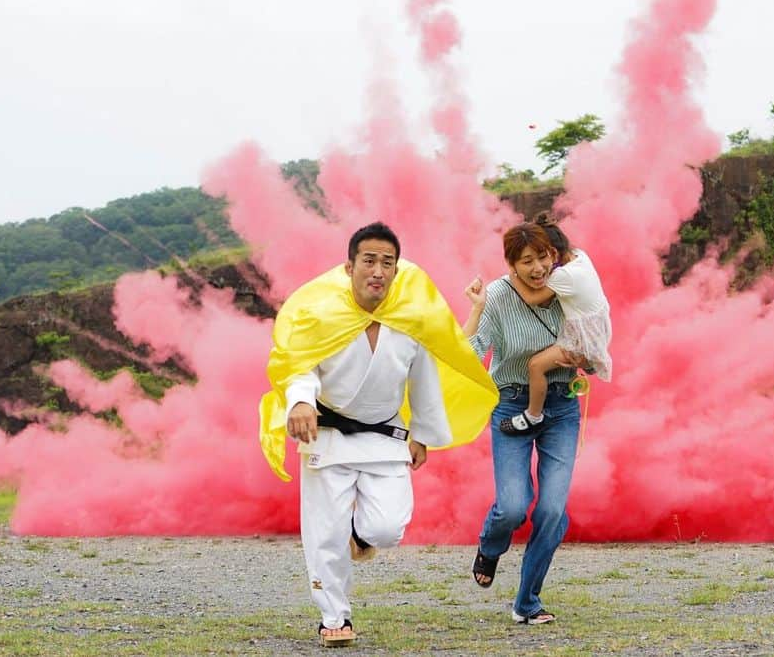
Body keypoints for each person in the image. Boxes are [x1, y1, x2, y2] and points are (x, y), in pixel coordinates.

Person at [259, 222, 497, 647]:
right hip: (327, 437)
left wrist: (421, 432)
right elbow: (298, 364)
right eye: (369, 261)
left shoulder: (410, 321)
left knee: (388, 527)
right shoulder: (321, 315)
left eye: (388, 262)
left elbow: (424, 379)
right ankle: (334, 615)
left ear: (396, 269)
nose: (378, 271)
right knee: (325, 531)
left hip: (385, 438)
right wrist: (299, 402)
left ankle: (360, 537)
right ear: (349, 266)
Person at [461, 222, 583, 625]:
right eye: (527, 261)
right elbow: (469, 353)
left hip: (561, 406)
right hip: (511, 402)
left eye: (544, 257)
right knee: (513, 507)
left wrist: (583, 358)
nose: (538, 267)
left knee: (552, 509)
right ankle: (491, 546)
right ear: (511, 264)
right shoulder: (498, 296)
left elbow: (595, 336)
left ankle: (527, 601)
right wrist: (476, 309)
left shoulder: (568, 288)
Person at [501, 212, 612, 435]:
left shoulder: (565, 276)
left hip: (582, 339)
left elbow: (532, 298)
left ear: (552, 252)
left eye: (541, 257)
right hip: (598, 328)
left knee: (535, 365)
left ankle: (532, 415)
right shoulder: (580, 256)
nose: (540, 266)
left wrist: (513, 274)